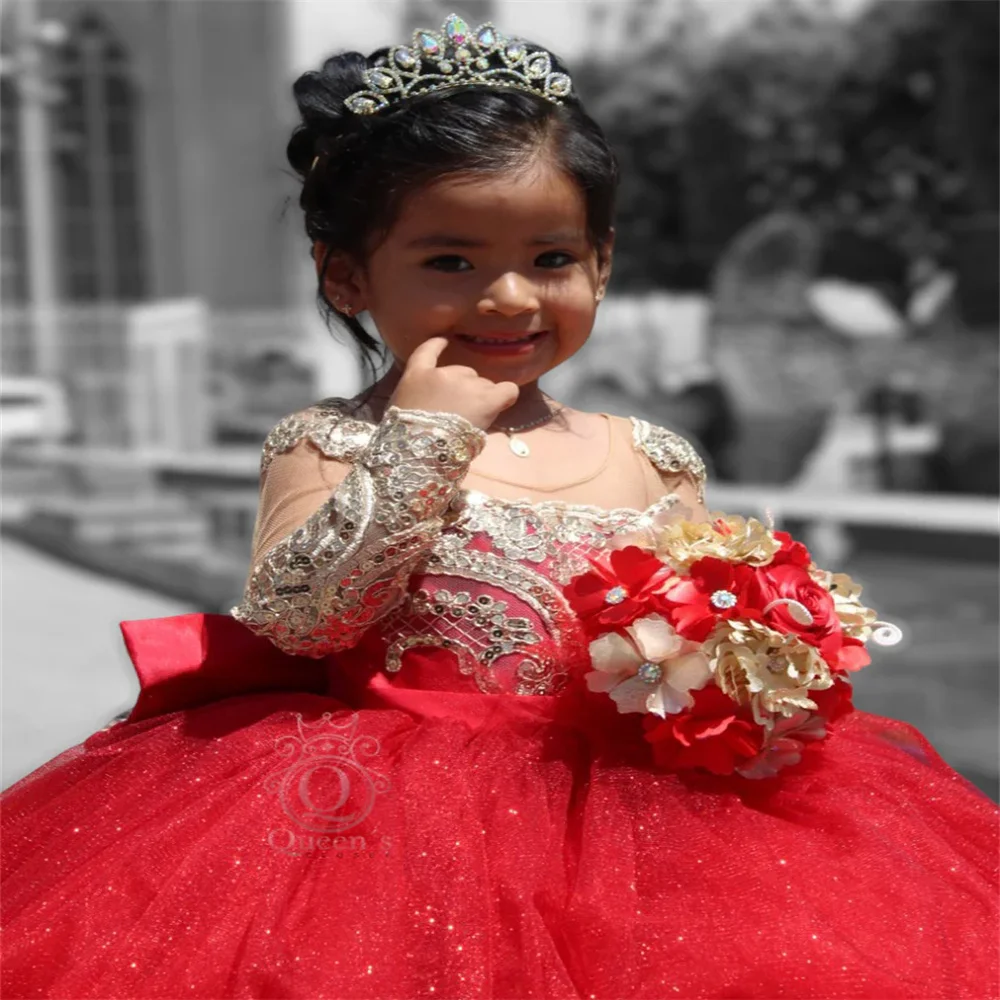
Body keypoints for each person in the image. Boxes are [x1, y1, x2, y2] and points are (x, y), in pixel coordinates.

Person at [2, 14, 996, 999]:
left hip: (648, 834)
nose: (510, 296)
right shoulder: (328, 441)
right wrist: (423, 439)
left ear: (600, 265)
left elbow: (705, 621)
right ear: (346, 275)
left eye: (551, 259)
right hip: (385, 836)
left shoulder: (650, 455)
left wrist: (740, 675)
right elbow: (300, 617)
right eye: (451, 261)